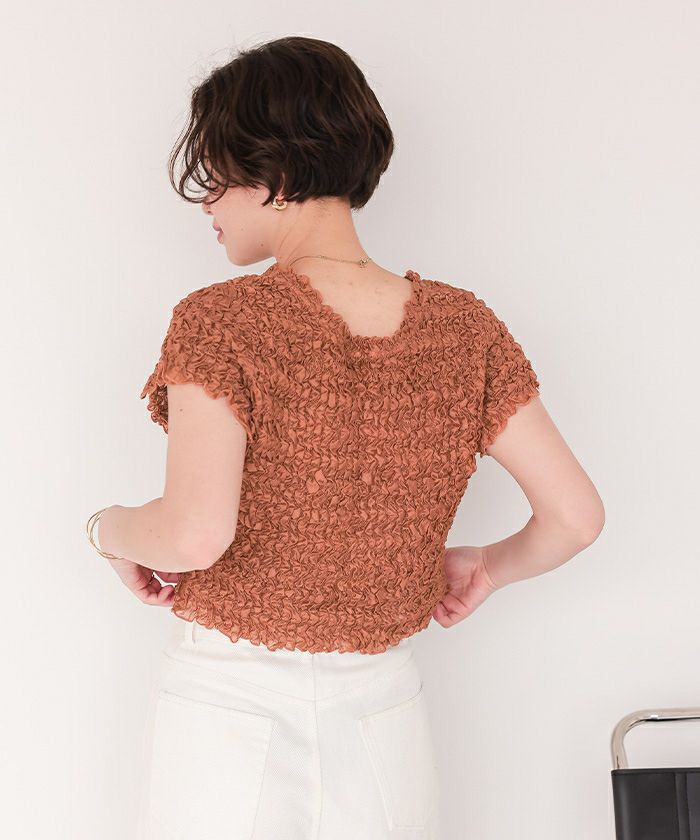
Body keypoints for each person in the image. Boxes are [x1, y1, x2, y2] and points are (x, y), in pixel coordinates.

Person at [85, 35, 605, 840]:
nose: (207, 203)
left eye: (216, 174)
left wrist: (106, 529)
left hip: (227, 717)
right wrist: (489, 567)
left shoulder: (223, 322)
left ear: (271, 171)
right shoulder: (464, 330)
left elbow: (191, 536)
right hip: (383, 719)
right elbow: (576, 518)